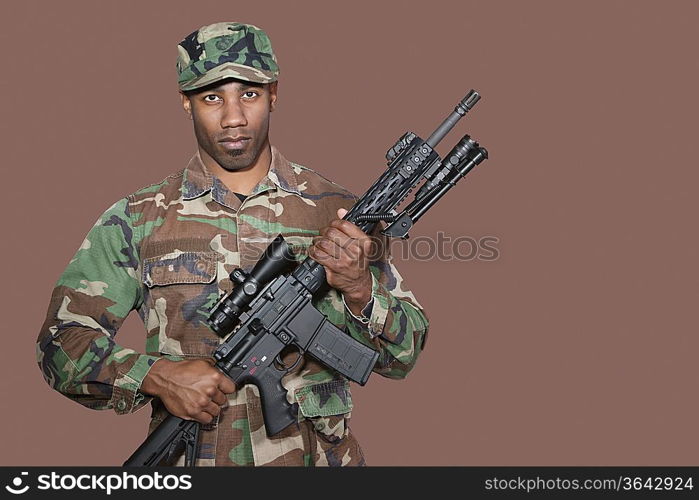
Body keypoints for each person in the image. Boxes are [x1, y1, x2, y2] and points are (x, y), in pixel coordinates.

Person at [36, 21, 428, 466]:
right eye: (211, 97)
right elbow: (59, 343)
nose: (233, 117)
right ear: (185, 103)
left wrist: (359, 288)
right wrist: (158, 376)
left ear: (274, 94)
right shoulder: (136, 219)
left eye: (250, 94)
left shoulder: (337, 213)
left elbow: (404, 356)